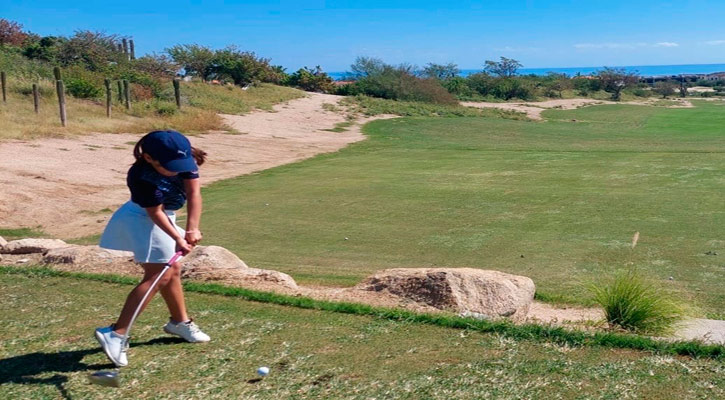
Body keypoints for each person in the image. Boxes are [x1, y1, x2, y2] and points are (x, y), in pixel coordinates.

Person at [95, 130, 210, 367]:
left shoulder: (181, 160)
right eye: (170, 166)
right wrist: (177, 239)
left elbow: (193, 192)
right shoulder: (140, 176)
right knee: (160, 274)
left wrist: (191, 229)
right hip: (142, 219)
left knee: (172, 270)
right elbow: (154, 212)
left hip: (166, 216)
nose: (176, 169)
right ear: (148, 158)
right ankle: (116, 333)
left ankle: (179, 323)